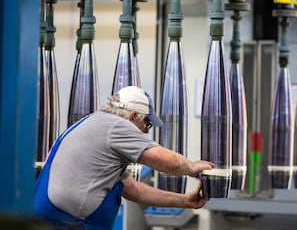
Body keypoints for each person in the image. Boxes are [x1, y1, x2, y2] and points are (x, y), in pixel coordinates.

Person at [34, 86, 214, 229]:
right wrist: (194, 167)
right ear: (134, 116)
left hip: (55, 219)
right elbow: (172, 163)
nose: (146, 132)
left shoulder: (96, 126)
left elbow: (134, 190)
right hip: (68, 223)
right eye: (147, 124)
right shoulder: (116, 126)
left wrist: (185, 201)